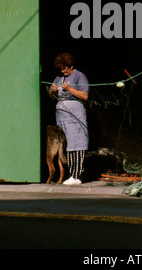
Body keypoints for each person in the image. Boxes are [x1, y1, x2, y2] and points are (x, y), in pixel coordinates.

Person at [49, 52, 89, 185]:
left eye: (64, 68)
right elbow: (50, 94)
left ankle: (76, 176)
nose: (62, 71)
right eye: (60, 69)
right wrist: (52, 90)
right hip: (62, 114)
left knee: (75, 142)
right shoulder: (59, 77)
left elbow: (84, 96)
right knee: (64, 144)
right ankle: (64, 175)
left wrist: (70, 88)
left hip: (74, 114)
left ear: (71, 66)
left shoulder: (79, 76)